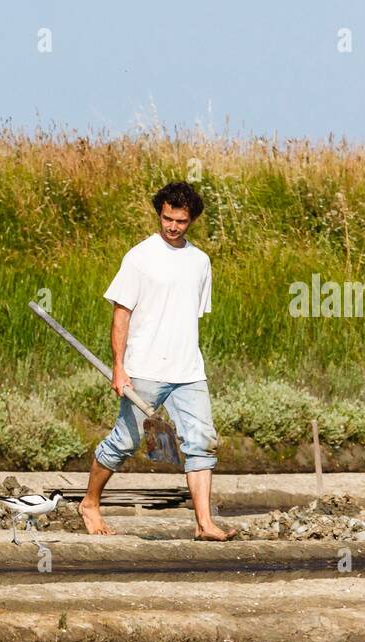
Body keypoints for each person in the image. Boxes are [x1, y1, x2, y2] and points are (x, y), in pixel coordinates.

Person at [78, 181, 235, 541]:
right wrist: (119, 366)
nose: (172, 226)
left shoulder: (200, 262)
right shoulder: (139, 257)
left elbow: (190, 316)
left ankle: (203, 523)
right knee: (125, 441)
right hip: (145, 368)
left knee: (201, 441)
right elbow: (121, 314)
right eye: (167, 218)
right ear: (159, 213)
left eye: (180, 220)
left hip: (188, 371)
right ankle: (89, 502)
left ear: (191, 220)